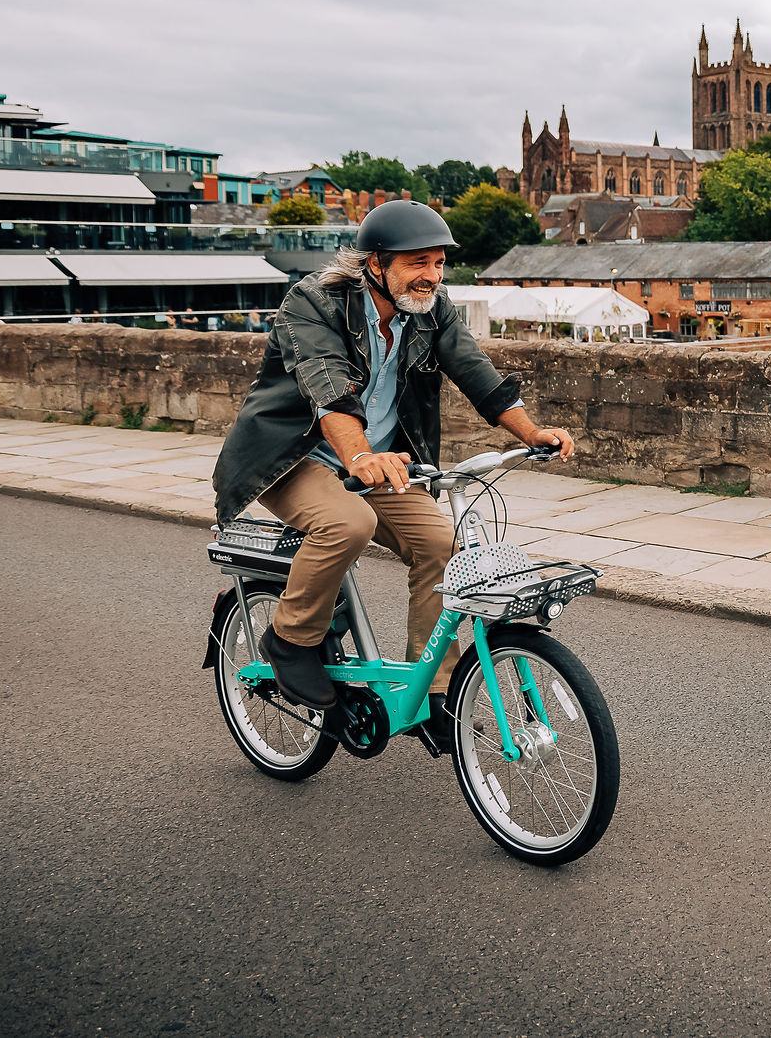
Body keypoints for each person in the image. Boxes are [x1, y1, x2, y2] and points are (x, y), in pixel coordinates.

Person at [212, 200, 575, 750]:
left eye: (438, 263)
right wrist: (359, 458)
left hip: (383, 461)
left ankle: (437, 692)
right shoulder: (313, 302)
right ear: (374, 263)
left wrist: (531, 433)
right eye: (417, 263)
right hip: (292, 457)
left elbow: (476, 371)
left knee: (442, 545)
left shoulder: (430, 306)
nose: (431, 275)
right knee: (347, 523)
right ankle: (291, 639)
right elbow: (327, 388)